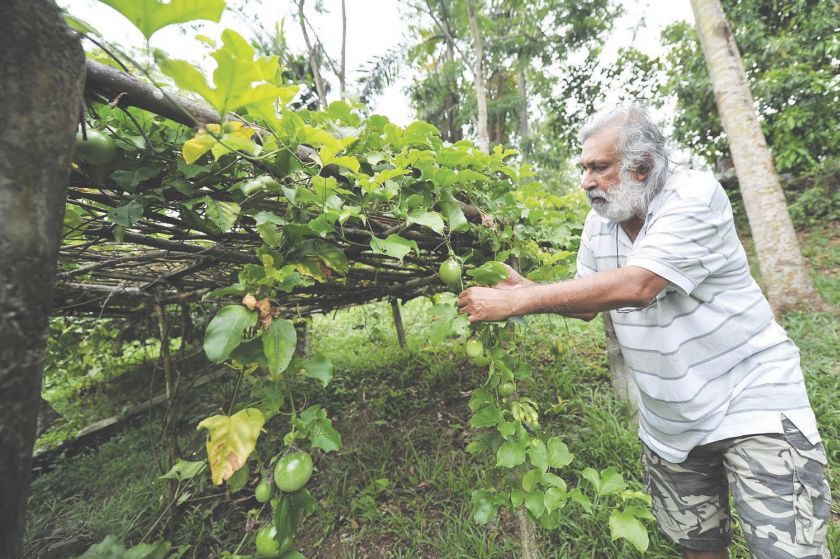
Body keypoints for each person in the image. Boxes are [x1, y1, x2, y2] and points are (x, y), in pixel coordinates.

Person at [456, 106, 831, 559]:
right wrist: (529, 289)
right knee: (699, 548)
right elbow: (588, 304)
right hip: (669, 422)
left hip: (752, 401)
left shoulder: (693, 195)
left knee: (787, 552)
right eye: (584, 169)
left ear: (642, 166)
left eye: (599, 168)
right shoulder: (600, 224)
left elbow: (638, 285)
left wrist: (518, 302)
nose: (586, 182)